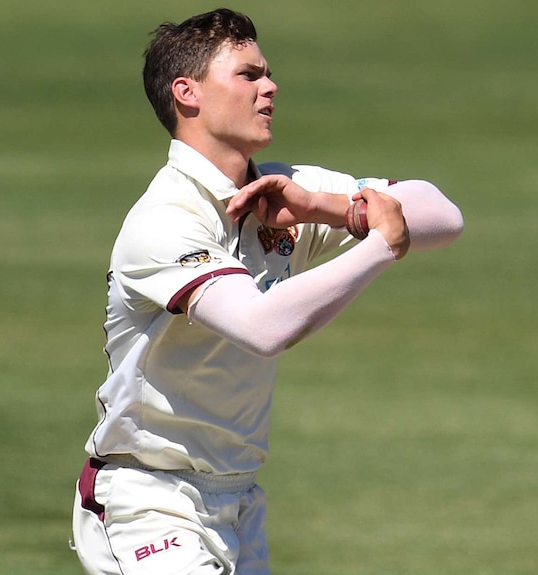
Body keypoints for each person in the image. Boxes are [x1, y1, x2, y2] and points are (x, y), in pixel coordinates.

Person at [71, 8, 463, 575]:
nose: (270, 86)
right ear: (187, 93)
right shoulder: (165, 219)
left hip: (240, 501)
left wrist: (334, 208)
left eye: (268, 73)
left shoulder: (285, 187)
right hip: (148, 500)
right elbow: (263, 328)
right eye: (248, 75)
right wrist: (379, 245)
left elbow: (443, 216)